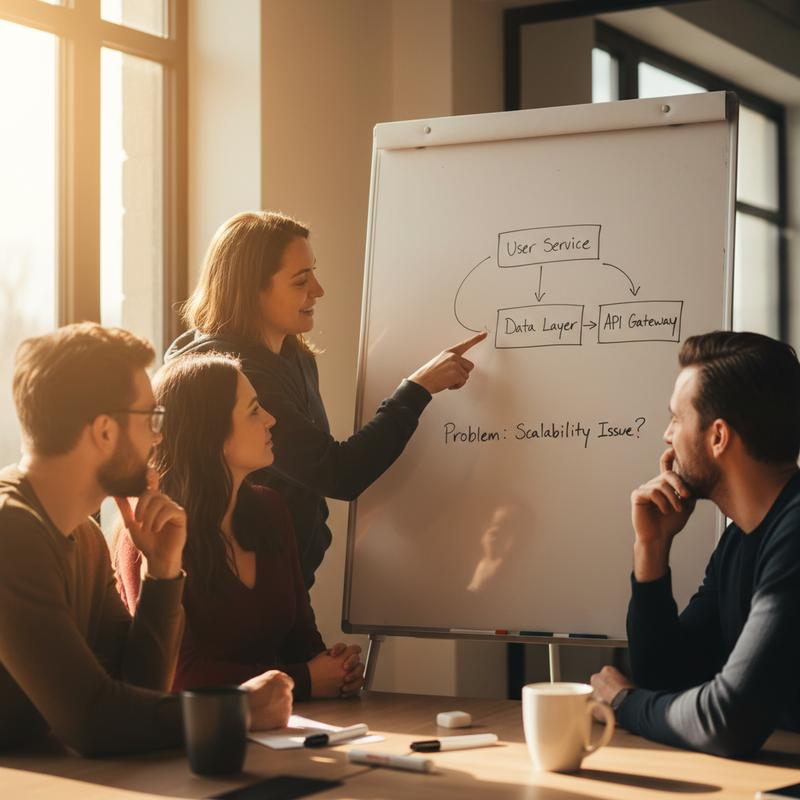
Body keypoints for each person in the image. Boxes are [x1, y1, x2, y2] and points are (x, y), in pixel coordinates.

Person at [0, 323, 293, 756]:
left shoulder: (84, 536)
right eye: (151, 419)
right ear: (104, 431)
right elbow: (93, 720)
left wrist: (163, 572)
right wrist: (240, 709)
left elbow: (136, 689)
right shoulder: (12, 531)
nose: (159, 436)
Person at [166, 211, 487, 588]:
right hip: (242, 591)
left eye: (313, 273)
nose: (318, 290)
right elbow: (338, 473)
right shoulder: (238, 377)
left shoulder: (293, 355)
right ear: (251, 290)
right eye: (301, 280)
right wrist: (417, 388)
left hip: (287, 582)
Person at [590, 331, 800, 758]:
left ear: (718, 436)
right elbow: (667, 680)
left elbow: (727, 721)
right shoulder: (739, 541)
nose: (667, 436)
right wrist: (651, 548)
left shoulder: (795, 536)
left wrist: (622, 702)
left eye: (676, 419)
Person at [114, 352, 364, 699]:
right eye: (253, 410)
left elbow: (301, 638)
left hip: (281, 726)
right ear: (211, 433)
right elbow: (179, 677)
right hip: (190, 739)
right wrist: (304, 679)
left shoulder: (270, 508)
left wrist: (336, 667)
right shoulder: (152, 532)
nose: (271, 419)